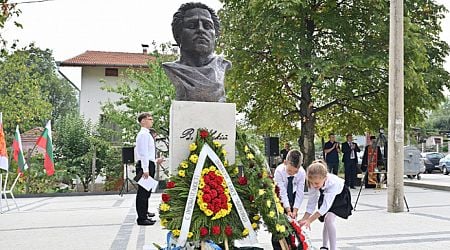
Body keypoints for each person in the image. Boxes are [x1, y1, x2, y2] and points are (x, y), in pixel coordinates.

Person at [163, 2, 231, 102]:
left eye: (207, 26)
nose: (201, 30)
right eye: (191, 25)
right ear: (178, 35)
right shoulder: (173, 69)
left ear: (215, 36)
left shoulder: (222, 66)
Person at [299, 160, 352, 250]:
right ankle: (324, 246)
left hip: (340, 197)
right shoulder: (313, 182)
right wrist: (304, 219)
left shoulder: (333, 183)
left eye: (316, 183)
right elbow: (311, 202)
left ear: (325, 178)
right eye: (312, 182)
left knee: (329, 219)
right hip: (327, 195)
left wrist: (310, 220)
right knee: (327, 220)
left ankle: (333, 248)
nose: (314, 185)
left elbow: (325, 208)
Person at [272, 149, 306, 249]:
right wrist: (287, 209)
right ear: (285, 162)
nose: (292, 173)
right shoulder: (279, 171)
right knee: (279, 226)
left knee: (291, 226)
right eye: (290, 170)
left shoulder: (301, 173)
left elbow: (300, 192)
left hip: (293, 195)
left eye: (295, 171)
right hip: (279, 198)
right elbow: (282, 192)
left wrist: (294, 210)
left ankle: (291, 246)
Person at [135, 112, 164, 226]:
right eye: (149, 119)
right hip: (144, 165)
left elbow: (148, 154)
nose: (152, 121)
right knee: (142, 193)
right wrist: (145, 169)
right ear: (143, 121)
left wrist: (155, 161)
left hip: (147, 164)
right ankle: (141, 218)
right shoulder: (143, 134)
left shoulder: (147, 134)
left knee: (146, 193)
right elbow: (143, 153)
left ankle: (144, 214)